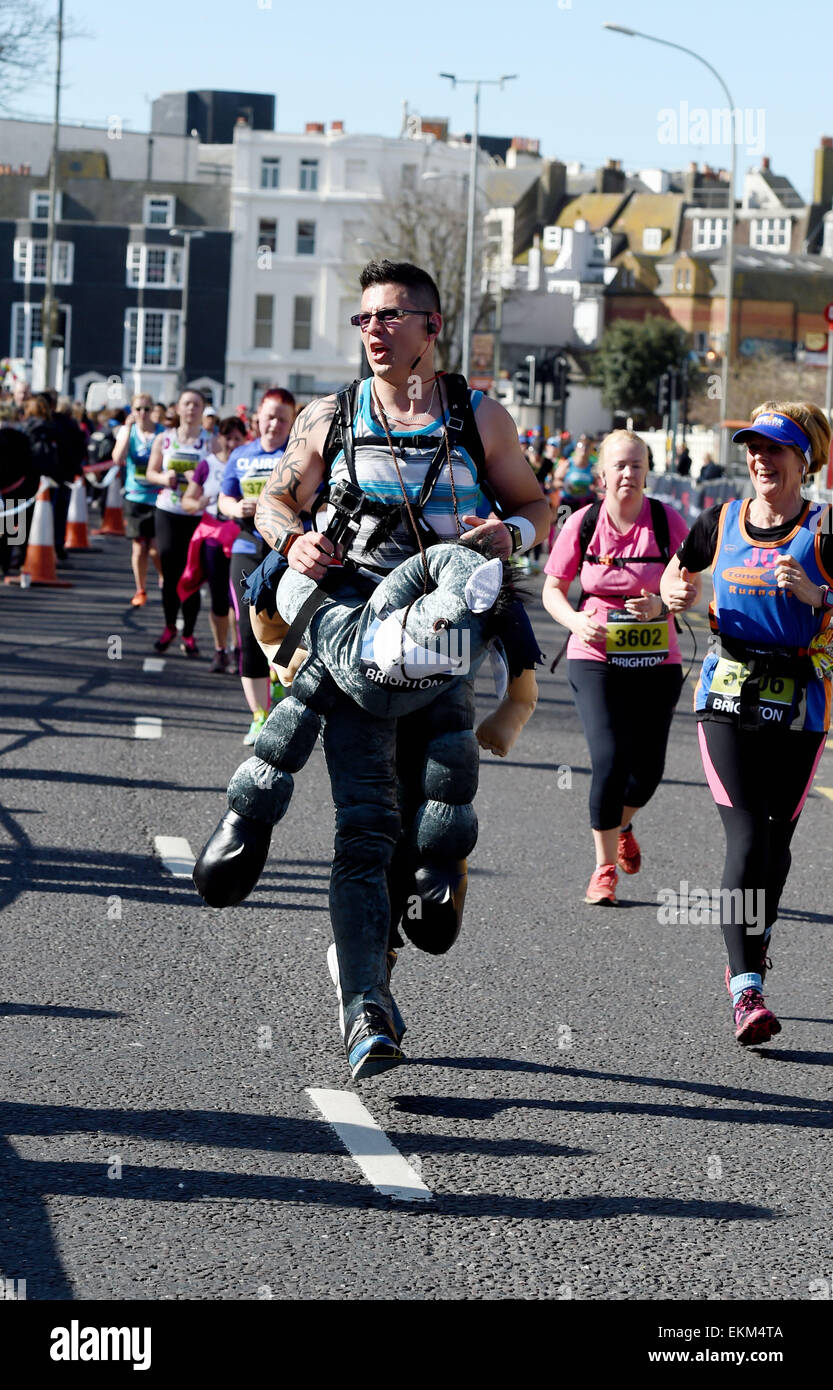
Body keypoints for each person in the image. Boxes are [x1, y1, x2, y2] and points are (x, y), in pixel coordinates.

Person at [252, 258, 549, 1079]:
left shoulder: (477, 415)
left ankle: (382, 955)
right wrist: (292, 537)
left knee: (422, 826)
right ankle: (366, 1011)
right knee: (362, 825)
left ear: (429, 327)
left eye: (391, 316)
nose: (374, 331)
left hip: (446, 638)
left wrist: (510, 538)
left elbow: (535, 505)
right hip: (353, 638)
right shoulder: (330, 416)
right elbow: (273, 499)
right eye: (364, 319)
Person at [661, 401, 833, 1046]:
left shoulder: (824, 530)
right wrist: (677, 594)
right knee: (743, 835)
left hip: (801, 698)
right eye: (752, 448)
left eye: (775, 449)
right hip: (727, 689)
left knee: (773, 845)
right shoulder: (721, 518)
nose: (761, 459)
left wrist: (820, 596)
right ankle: (745, 988)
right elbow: (678, 575)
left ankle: (754, 945)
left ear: (803, 460)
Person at [542, 429, 689, 905]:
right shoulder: (583, 523)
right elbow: (553, 589)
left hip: (656, 658)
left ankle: (623, 822)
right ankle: (604, 868)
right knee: (609, 760)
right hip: (596, 656)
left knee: (647, 771)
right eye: (619, 466)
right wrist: (575, 622)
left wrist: (663, 607)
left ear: (648, 472)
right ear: (602, 474)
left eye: (637, 465)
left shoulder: (668, 523)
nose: (628, 474)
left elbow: (691, 590)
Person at [218, 389, 296, 741]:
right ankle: (259, 714)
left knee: (291, 623)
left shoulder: (299, 456)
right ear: (257, 419)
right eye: (269, 417)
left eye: (282, 418)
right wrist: (236, 509)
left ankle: (282, 679)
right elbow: (224, 498)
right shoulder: (241, 455)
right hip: (247, 545)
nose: (275, 424)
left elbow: (319, 498)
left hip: (288, 549)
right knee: (248, 630)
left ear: (292, 421)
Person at [145, 387, 216, 655]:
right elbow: (152, 472)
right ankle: (168, 626)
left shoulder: (211, 442)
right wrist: (167, 478)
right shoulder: (164, 439)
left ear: (202, 409)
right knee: (170, 569)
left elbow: (220, 473)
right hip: (168, 510)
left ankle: (188, 632)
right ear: (177, 408)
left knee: (193, 573)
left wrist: (198, 483)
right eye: (186, 403)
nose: (191, 409)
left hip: (196, 514)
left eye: (196, 404)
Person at [180, 415, 248, 671]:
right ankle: (220, 650)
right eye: (227, 437)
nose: (232, 443)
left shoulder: (249, 463)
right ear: (219, 438)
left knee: (238, 599)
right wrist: (197, 503)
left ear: (244, 439)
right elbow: (188, 501)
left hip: (241, 537)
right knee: (219, 599)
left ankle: (239, 648)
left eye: (237, 438)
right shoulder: (207, 465)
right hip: (212, 538)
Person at [112, 393, 164, 606]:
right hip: (135, 495)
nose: (142, 413)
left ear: (153, 410)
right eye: (138, 409)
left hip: (159, 496)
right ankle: (140, 589)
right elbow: (117, 458)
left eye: (147, 409)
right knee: (139, 547)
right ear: (132, 411)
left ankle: (164, 576)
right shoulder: (129, 431)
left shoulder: (162, 433)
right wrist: (127, 430)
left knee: (155, 548)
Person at [553, 436, 598, 515]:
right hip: (567, 503)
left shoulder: (592, 466)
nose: (584, 449)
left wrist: (593, 488)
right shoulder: (568, 464)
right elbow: (555, 482)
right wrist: (566, 486)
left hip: (585, 504)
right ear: (576, 448)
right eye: (581, 445)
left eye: (587, 446)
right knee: (564, 527)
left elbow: (596, 485)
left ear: (591, 450)